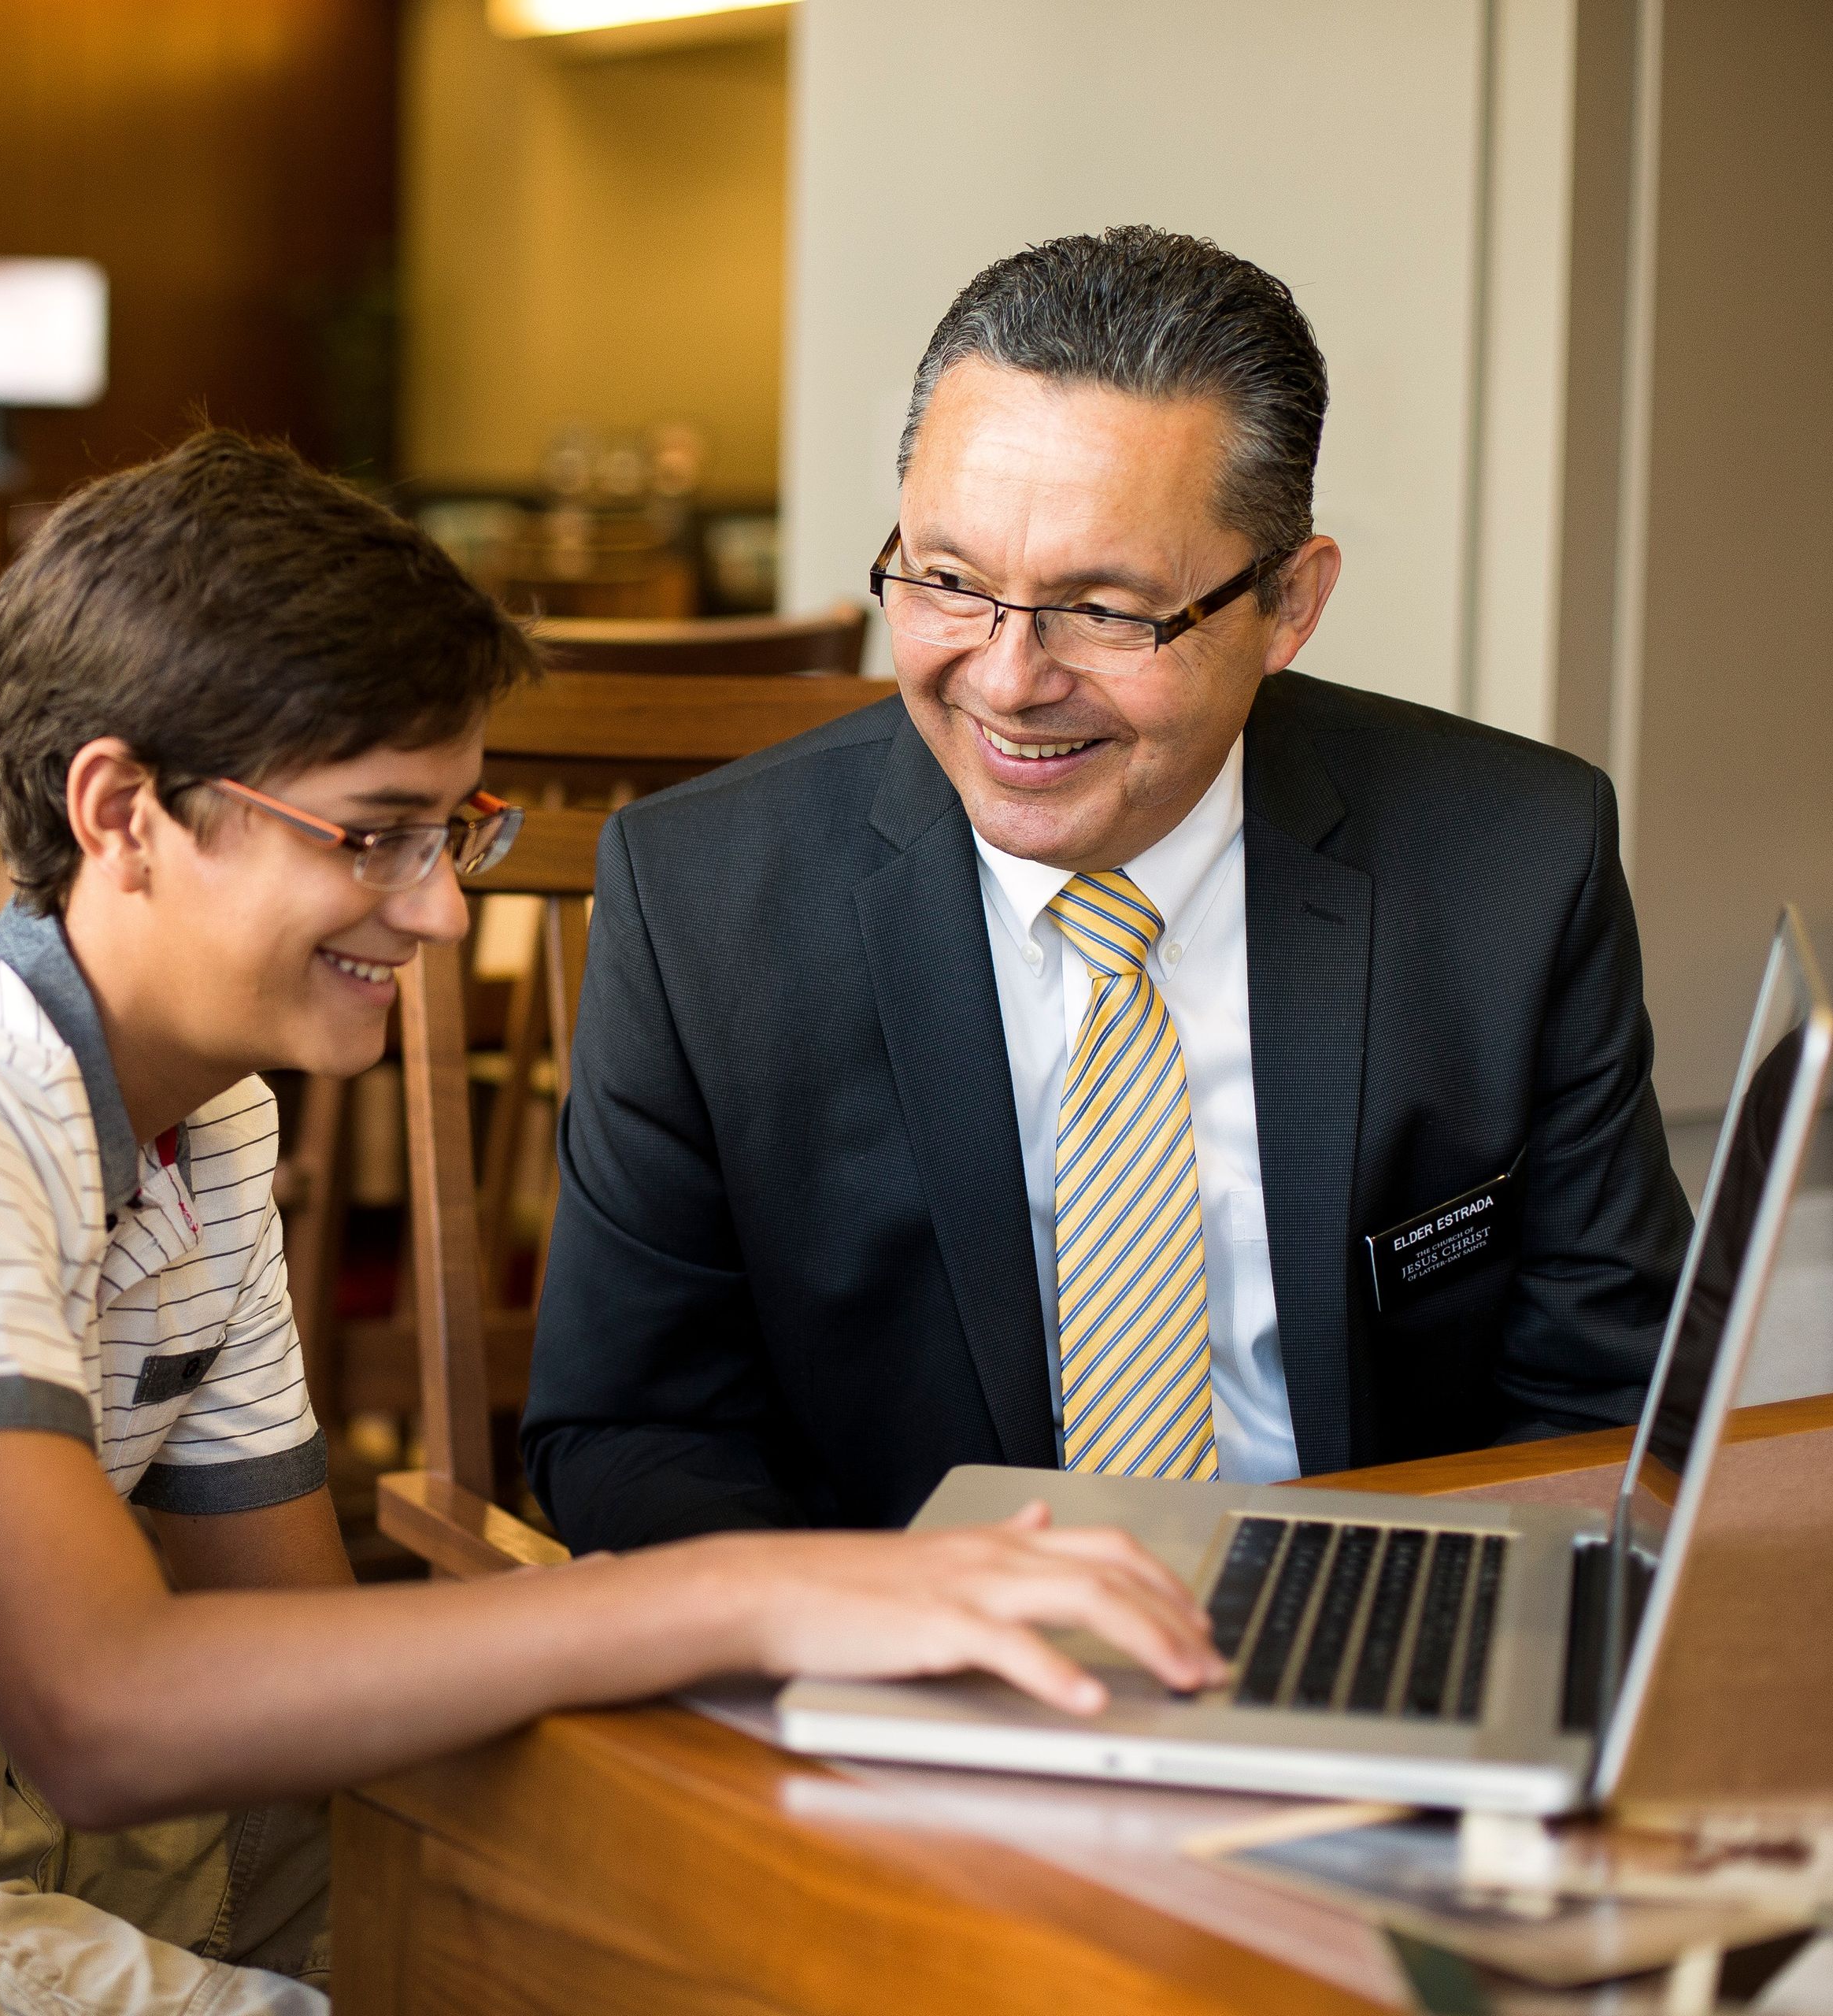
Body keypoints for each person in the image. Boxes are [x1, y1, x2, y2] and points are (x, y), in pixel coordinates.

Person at [0, 428, 1228, 2016]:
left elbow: (285, 1646)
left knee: (606, 1931)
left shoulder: (206, 1120)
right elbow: (113, 1706)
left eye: (456, 827)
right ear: (122, 810)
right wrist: (765, 1578)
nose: (433, 910)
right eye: (372, 833)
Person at [524, 225, 1697, 1553]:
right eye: (950, 582)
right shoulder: (702, 901)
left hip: (1370, 1630)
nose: (1010, 679)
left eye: (1105, 609)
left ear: (1289, 606)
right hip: (906, 1670)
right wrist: (870, 1637)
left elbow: (1607, 1396)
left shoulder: (1510, 862)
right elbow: (628, 1430)